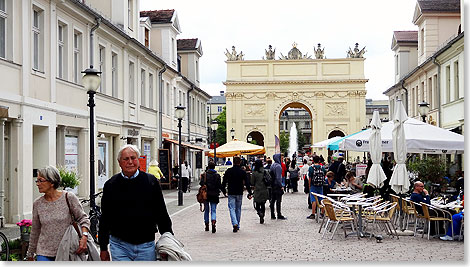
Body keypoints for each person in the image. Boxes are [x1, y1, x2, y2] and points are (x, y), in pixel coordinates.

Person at [99, 144, 173, 261]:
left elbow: (161, 213)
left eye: (133, 158)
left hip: (146, 245)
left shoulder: (151, 182)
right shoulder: (111, 185)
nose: (130, 162)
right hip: (119, 246)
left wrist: (168, 241)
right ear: (119, 162)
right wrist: (103, 247)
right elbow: (105, 218)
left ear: (138, 160)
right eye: (126, 159)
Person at [27, 166, 91, 261]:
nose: (37, 184)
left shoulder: (69, 197)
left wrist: (84, 237)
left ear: (52, 182)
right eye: (37, 181)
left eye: (40, 180)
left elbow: (83, 218)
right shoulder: (37, 204)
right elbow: (35, 230)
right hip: (43, 252)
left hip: (67, 250)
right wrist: (30, 254)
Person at [221, 156, 253, 232]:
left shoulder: (229, 171)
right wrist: (250, 192)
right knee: (238, 209)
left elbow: (224, 182)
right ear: (240, 162)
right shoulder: (242, 172)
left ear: (233, 162)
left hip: (231, 192)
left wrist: (224, 191)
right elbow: (247, 183)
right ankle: (237, 224)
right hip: (239, 192)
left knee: (231, 208)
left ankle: (234, 223)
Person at [200, 161, 222, 233]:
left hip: (206, 195)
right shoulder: (217, 175)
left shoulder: (205, 175)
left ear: (208, 167)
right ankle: (213, 221)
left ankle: (206, 224)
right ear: (214, 167)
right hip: (215, 195)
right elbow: (219, 186)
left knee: (206, 210)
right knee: (213, 210)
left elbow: (201, 184)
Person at [251, 159, 270, 224]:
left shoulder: (254, 173)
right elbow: (269, 178)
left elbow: (252, 182)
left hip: (257, 190)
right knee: (263, 204)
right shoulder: (265, 171)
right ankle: (263, 215)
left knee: (257, 204)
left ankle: (259, 213)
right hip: (264, 189)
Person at [269, 154, 287, 220]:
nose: (282, 160)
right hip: (277, 185)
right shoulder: (278, 166)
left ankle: (272, 214)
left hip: (272, 185)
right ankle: (279, 214)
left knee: (272, 200)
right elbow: (278, 178)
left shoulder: (272, 165)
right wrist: (281, 185)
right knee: (278, 201)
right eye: (281, 158)